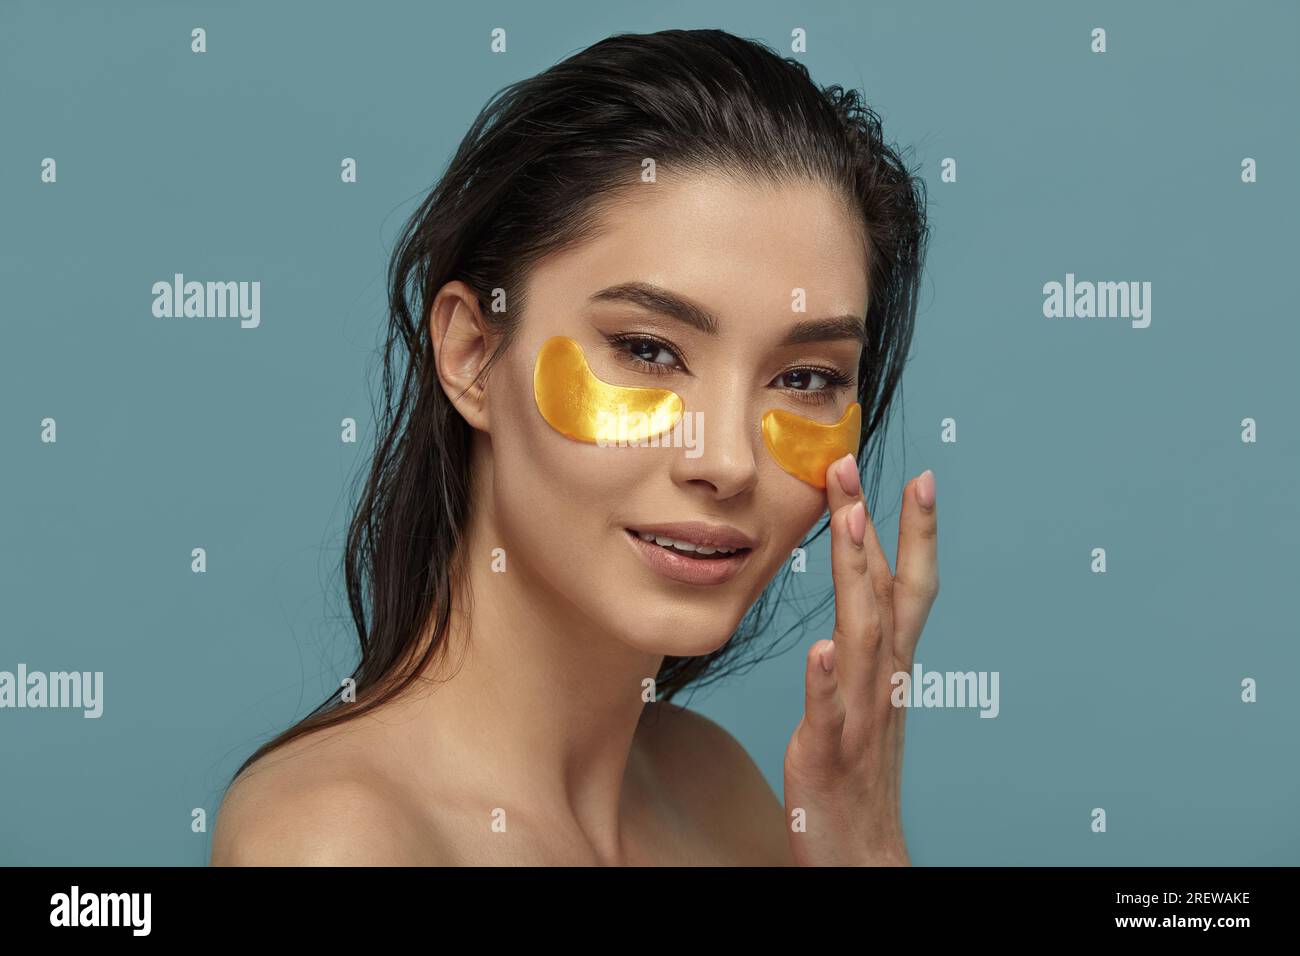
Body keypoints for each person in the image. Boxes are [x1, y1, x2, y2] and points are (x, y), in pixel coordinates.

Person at [211, 27, 936, 866]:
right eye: (648, 351)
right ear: (472, 356)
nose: (728, 461)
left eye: (806, 377)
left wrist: (861, 843)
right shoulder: (339, 842)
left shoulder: (717, 792)